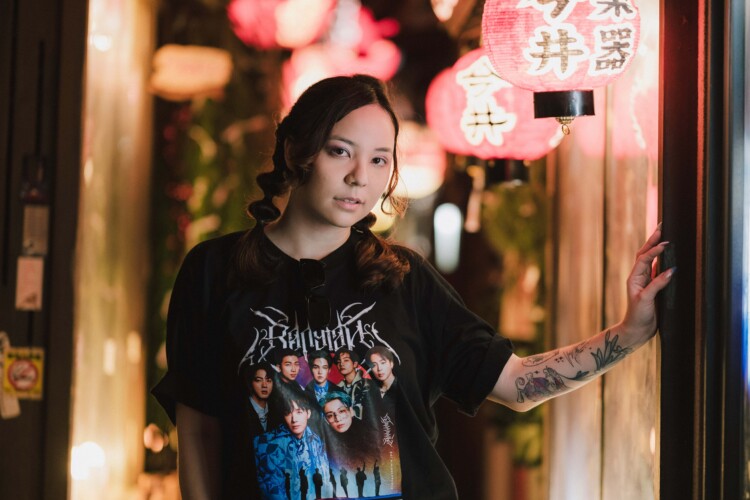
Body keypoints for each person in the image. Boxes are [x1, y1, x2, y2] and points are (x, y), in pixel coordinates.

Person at [152, 74, 674, 499]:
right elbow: (199, 431)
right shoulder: (215, 271)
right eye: (340, 151)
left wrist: (628, 332)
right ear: (295, 152)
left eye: (379, 159)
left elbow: (516, 385)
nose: (360, 176)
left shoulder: (402, 278)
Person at [254, 395, 329, 499]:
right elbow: (273, 493)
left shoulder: (316, 440)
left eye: (299, 412)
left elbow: (325, 482)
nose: (294, 419)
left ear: (308, 413)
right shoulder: (267, 445)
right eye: (288, 413)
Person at [333, 348, 378, 420]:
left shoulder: (367, 384)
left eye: (346, 360)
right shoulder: (337, 388)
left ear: (355, 364)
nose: (341, 364)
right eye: (338, 362)